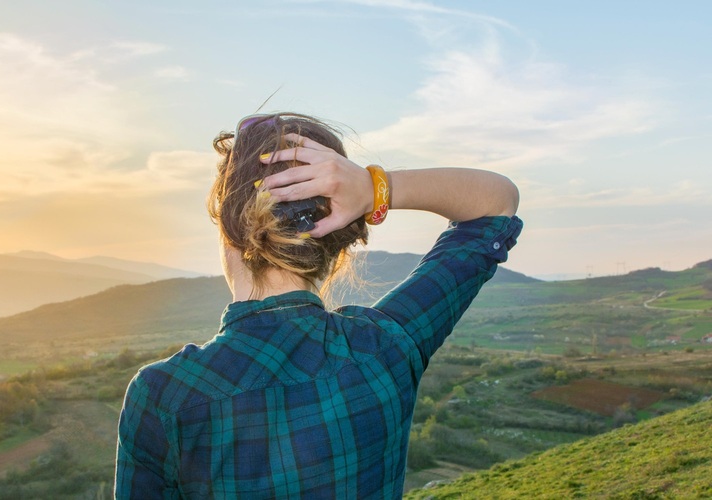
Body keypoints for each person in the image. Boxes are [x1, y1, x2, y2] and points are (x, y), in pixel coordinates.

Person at [115, 113, 522, 499]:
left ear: (226, 225)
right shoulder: (385, 348)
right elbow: (497, 204)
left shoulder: (164, 395)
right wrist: (375, 187)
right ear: (338, 239)